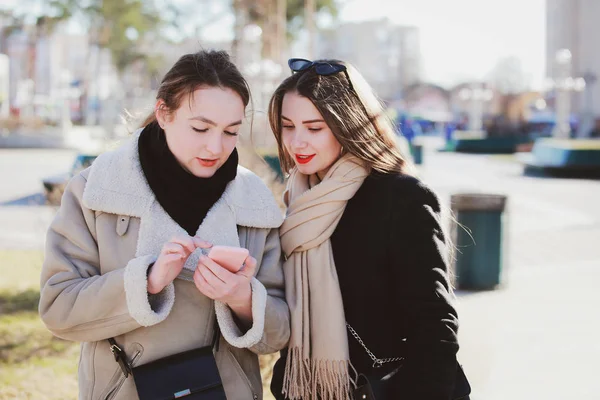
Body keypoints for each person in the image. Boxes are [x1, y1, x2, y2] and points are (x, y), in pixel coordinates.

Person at [39, 50, 290, 400]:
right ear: (163, 113)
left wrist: (242, 299)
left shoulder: (254, 202)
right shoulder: (96, 189)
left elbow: (279, 332)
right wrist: (148, 281)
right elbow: (58, 308)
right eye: (200, 128)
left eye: (231, 132)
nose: (215, 147)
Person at [268, 58, 465, 400]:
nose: (297, 142)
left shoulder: (401, 198)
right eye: (288, 126)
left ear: (350, 125)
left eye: (314, 128)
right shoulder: (299, 199)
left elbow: (435, 326)